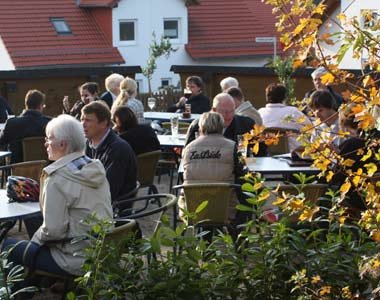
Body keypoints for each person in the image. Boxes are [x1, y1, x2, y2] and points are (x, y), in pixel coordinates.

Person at [2, 114, 113, 279]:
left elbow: (54, 231)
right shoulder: (93, 167)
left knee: (7, 246)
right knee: (36, 226)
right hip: (102, 252)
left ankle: (22, 292)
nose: (45, 143)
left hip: (75, 260)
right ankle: (41, 282)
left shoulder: (57, 179)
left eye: (49, 139)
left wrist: (34, 242)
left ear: (62, 144)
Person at [180, 112, 244, 220]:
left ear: (201, 127)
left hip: (193, 207)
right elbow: (240, 172)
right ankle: (238, 234)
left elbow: (184, 173)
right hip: (224, 207)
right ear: (222, 126)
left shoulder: (188, 148)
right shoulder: (232, 146)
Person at [82, 101, 137, 202]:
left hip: (112, 208)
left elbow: (108, 190)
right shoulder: (88, 144)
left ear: (103, 123)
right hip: (93, 199)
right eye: (82, 120)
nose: (83, 124)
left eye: (88, 120)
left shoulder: (118, 149)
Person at [185, 93, 265, 155]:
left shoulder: (247, 124)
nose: (229, 116)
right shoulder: (198, 125)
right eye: (225, 112)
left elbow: (261, 152)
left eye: (232, 111)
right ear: (214, 110)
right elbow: (186, 153)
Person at [0, 89, 51, 163]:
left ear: (26, 104)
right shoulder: (49, 124)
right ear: (40, 106)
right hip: (44, 168)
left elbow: (1, 142)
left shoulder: (12, 123)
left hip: (17, 169)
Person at [258, 83, 312, 152]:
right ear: (284, 97)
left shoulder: (259, 113)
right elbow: (311, 129)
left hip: (265, 156)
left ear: (267, 97)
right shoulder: (294, 111)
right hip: (294, 155)